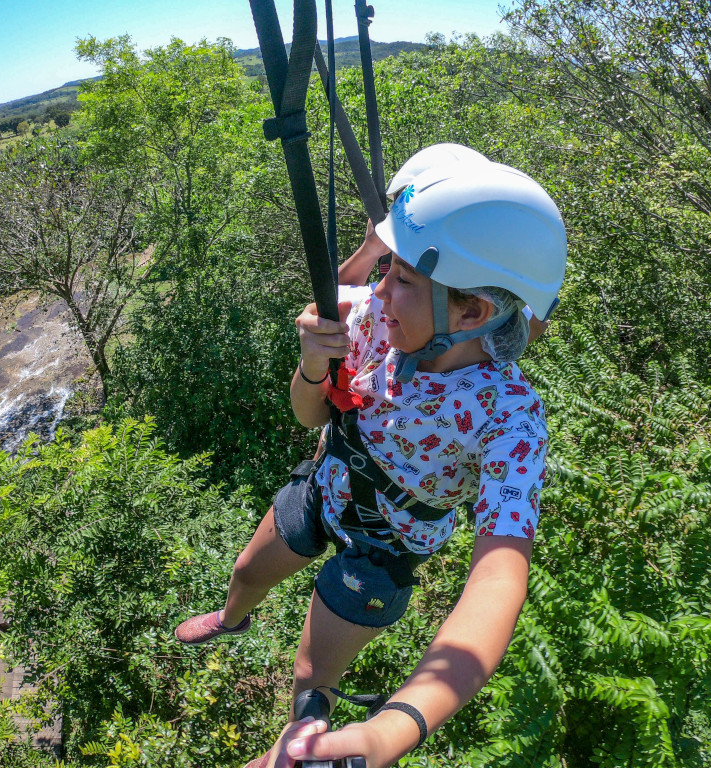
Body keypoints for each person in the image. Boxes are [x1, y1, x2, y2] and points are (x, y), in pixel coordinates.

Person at [175, 146, 567, 768]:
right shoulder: (373, 317)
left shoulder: (510, 420)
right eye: (386, 270)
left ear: (473, 311)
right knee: (248, 573)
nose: (380, 292)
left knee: (312, 678)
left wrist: (398, 725)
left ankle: (300, 745)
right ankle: (232, 617)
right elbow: (311, 413)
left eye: (403, 278)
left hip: (385, 545)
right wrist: (314, 362)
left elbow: (497, 577)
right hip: (327, 485)